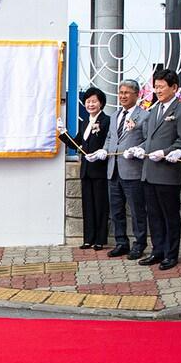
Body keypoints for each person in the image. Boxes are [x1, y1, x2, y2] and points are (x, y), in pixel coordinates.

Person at [122, 69, 181, 270]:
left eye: (162, 87)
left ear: (174, 88)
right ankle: (157, 250)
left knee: (170, 216)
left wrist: (166, 152)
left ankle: (171, 254)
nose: (158, 91)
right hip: (149, 172)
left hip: (167, 172)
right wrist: (139, 148)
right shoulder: (153, 110)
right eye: (156, 87)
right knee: (154, 215)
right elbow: (149, 140)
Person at [104, 79, 148, 259]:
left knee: (137, 211)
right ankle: (121, 242)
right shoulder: (114, 116)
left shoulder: (144, 116)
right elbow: (110, 138)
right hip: (113, 169)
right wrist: (104, 150)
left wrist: (138, 149)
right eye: (121, 93)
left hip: (132, 170)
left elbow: (148, 140)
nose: (122, 96)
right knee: (116, 210)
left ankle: (140, 244)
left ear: (136, 95)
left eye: (126, 93)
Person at [63, 87, 111, 249]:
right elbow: (76, 144)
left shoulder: (106, 121)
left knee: (100, 205)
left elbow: (108, 142)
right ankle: (88, 239)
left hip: (100, 169)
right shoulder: (85, 122)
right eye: (88, 101)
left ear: (101, 103)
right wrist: (63, 133)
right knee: (88, 205)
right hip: (86, 171)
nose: (90, 104)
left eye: (94, 101)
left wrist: (101, 152)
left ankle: (100, 240)